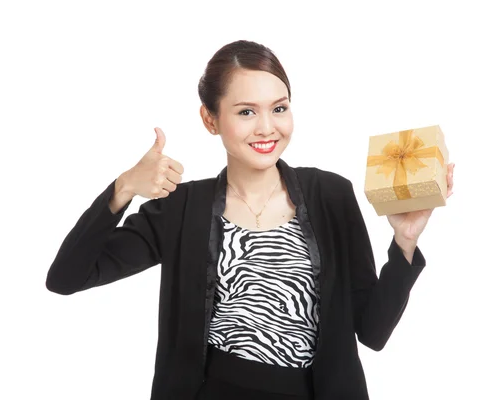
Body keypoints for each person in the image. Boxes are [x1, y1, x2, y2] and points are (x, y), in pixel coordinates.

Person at [46, 39, 455, 400]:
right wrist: (123, 189)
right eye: (245, 111)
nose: (267, 127)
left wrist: (404, 240)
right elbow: (66, 278)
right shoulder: (181, 207)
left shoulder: (331, 194)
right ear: (210, 119)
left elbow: (373, 332)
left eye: (279, 108)